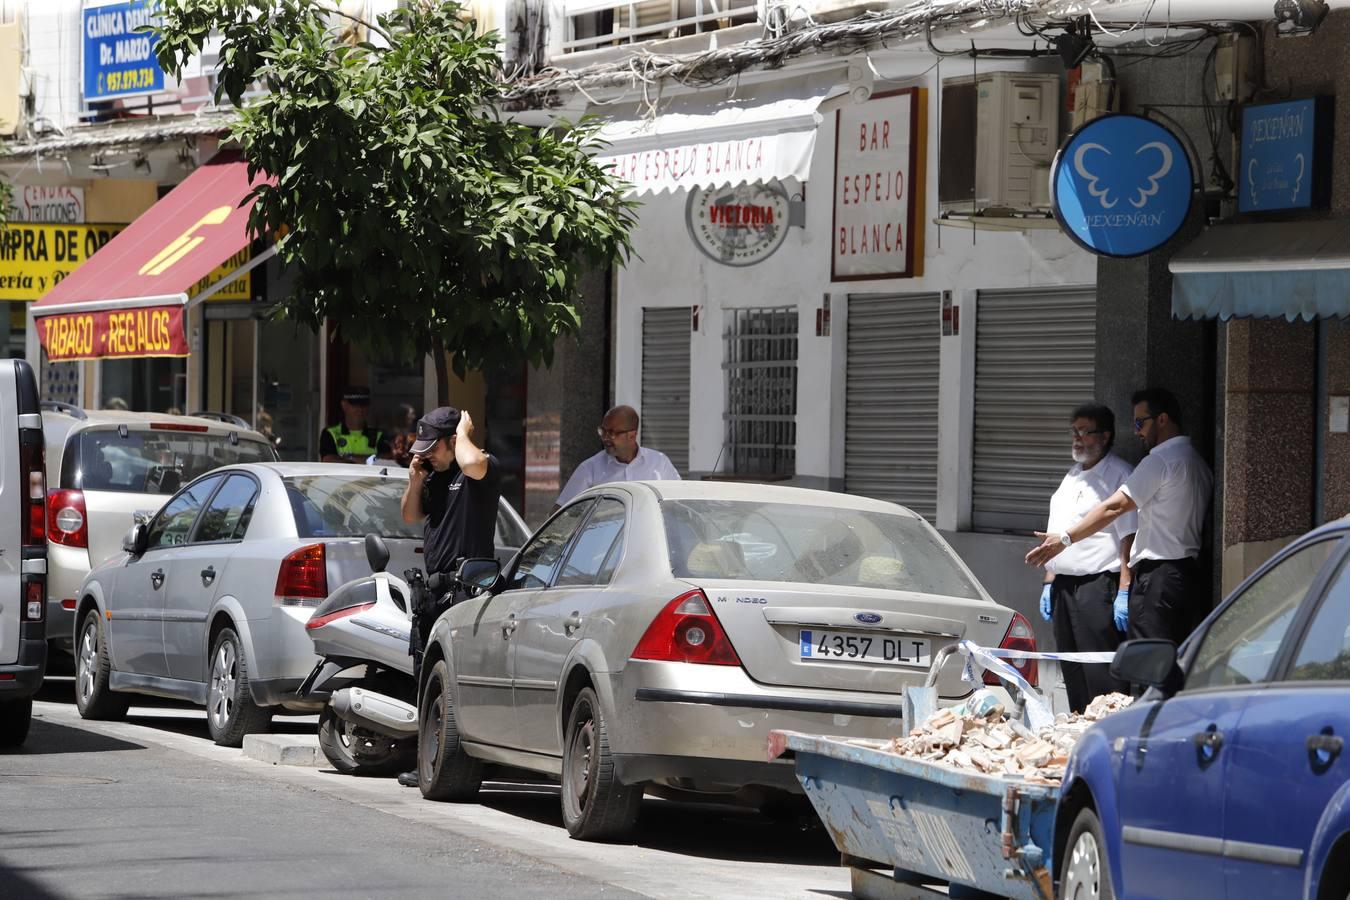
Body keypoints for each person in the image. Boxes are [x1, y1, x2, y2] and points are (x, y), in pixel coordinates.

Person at [1026, 388, 1213, 646]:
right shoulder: (1195, 461)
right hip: (1182, 574)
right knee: (1166, 660)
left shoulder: (1159, 461)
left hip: (1157, 577)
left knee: (1149, 663)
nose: (1137, 431)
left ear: (1162, 419)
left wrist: (1066, 539)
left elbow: (1114, 508)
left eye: (1140, 422)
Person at [397, 406, 501, 787]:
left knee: (453, 682)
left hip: (465, 589)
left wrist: (465, 432)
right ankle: (428, 759)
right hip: (434, 592)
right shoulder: (434, 478)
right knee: (428, 680)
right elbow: (410, 515)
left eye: (432, 448)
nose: (425, 455)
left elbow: (472, 463)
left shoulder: (479, 471)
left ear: (453, 441)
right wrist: (414, 479)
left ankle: (449, 763)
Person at [1038, 404, 1136, 712]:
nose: (1077, 439)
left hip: (1097, 586)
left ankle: (1106, 732)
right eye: (1074, 431)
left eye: (1085, 431)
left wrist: (1123, 590)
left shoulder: (1120, 474)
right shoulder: (1073, 474)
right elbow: (1059, 530)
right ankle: (1078, 731)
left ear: (1105, 436)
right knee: (1072, 667)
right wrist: (1049, 580)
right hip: (1064, 586)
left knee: (1100, 672)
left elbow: (1128, 537)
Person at [555, 405, 679, 508]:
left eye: (612, 433)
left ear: (632, 435)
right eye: (603, 431)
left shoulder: (659, 463)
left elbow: (679, 504)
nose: (605, 438)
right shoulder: (590, 469)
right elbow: (560, 512)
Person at [319, 386, 382, 463]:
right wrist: (369, 460)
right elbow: (328, 460)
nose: (360, 409)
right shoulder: (331, 433)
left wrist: (350, 458)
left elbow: (387, 459)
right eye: (355, 404)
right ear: (344, 405)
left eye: (363, 404)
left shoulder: (378, 435)